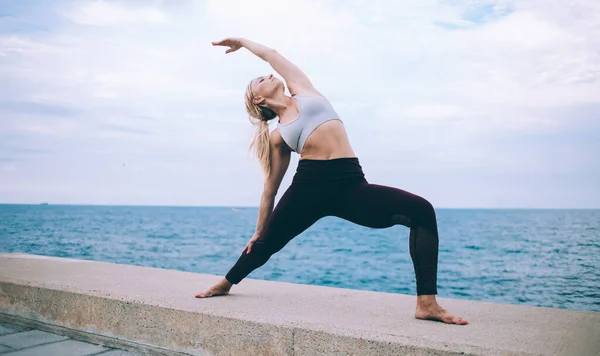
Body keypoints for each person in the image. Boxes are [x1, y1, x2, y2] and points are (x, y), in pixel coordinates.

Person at [195, 38, 468, 325]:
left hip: (351, 185)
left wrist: (242, 43)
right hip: (308, 189)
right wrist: (258, 230)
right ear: (258, 100)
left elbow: (271, 54)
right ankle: (225, 283)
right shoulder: (277, 136)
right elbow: (270, 189)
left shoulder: (304, 91)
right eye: (259, 80)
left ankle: (427, 303)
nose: (268, 75)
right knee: (266, 244)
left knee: (422, 211)